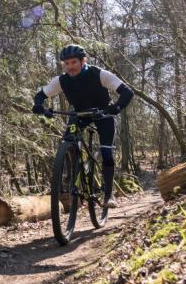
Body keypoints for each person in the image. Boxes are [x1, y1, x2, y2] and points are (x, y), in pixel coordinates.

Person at [32, 44, 133, 208]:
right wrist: (38, 106)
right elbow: (41, 94)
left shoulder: (98, 74)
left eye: (74, 62)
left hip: (102, 114)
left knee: (106, 152)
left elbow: (127, 92)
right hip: (79, 115)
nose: (70, 67)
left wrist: (115, 108)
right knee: (67, 141)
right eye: (67, 64)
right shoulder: (62, 81)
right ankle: (74, 175)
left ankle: (109, 195)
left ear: (82, 61)